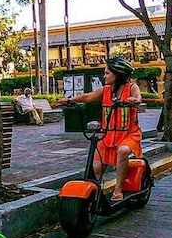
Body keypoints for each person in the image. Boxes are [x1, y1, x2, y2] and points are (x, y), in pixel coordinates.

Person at [59, 56, 142, 201]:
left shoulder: (132, 88)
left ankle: (118, 190)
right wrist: (70, 100)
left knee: (123, 151)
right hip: (107, 135)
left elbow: (138, 98)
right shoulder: (105, 90)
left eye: (107, 73)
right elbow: (88, 97)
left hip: (129, 134)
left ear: (118, 74)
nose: (104, 76)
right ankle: (97, 192)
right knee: (97, 167)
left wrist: (135, 101)